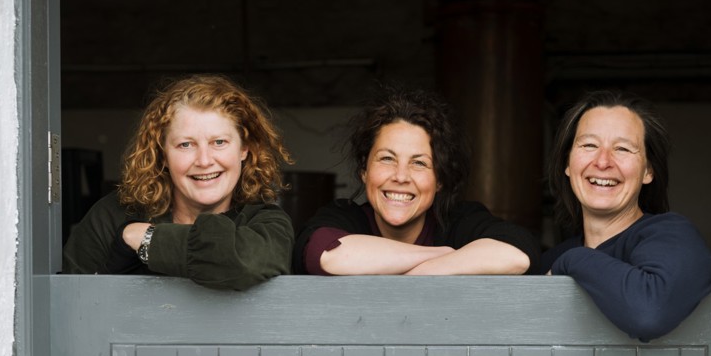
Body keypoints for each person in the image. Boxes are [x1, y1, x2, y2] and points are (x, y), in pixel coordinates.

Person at [62, 74, 294, 290]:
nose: (204, 161)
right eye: (186, 145)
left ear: (245, 149)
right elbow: (70, 304)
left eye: (219, 142)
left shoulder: (267, 223)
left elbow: (244, 262)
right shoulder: (112, 216)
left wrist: (145, 238)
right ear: (162, 154)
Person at [293, 85, 540, 275]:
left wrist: (422, 272)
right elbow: (329, 254)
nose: (401, 176)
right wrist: (442, 255)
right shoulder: (346, 217)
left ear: (440, 179)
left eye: (419, 163)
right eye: (387, 159)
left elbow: (517, 253)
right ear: (364, 170)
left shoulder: (458, 222)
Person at [538, 90, 711, 341]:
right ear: (568, 164)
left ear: (648, 170)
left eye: (623, 149)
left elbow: (649, 313)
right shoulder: (549, 259)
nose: (603, 162)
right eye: (589, 145)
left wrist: (573, 260)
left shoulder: (674, 236)